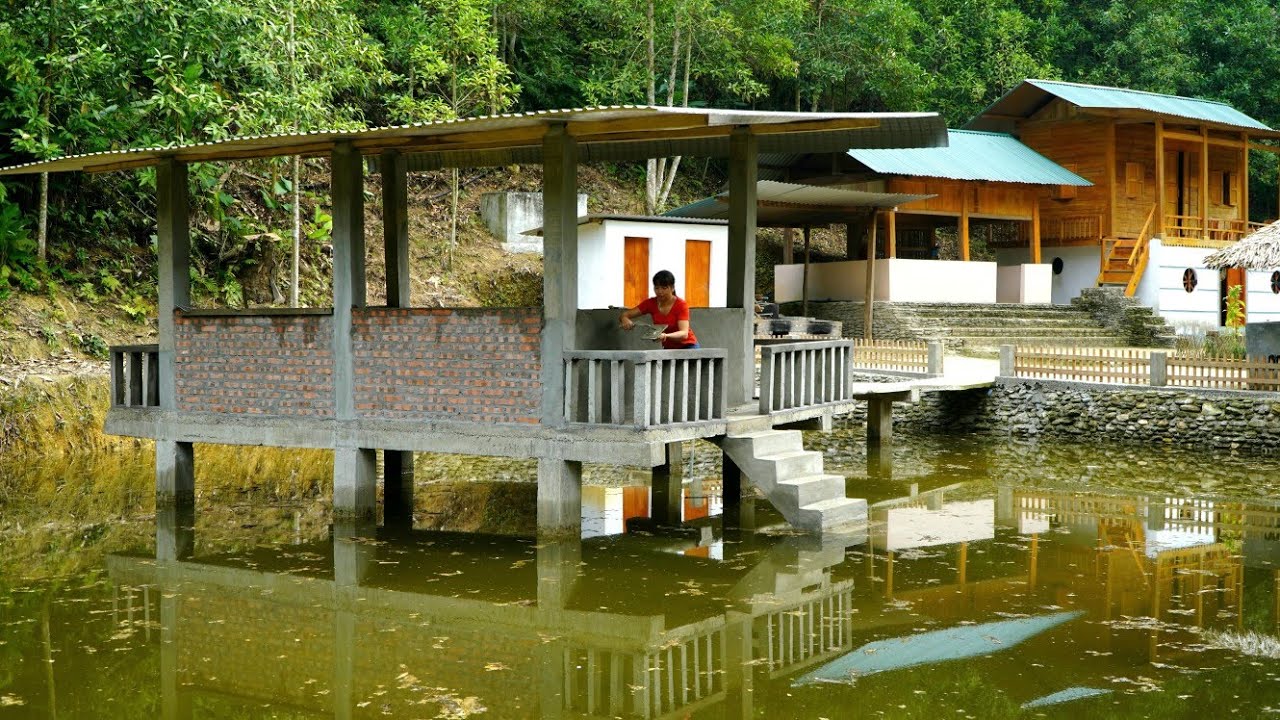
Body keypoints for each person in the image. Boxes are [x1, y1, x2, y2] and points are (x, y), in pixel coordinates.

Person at [618, 269, 700, 349]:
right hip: (669, 348)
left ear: (672, 288)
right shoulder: (650, 303)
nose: (660, 291)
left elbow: (684, 334)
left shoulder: (681, 305)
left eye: (664, 288)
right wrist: (624, 319)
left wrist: (665, 336)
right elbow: (625, 314)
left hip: (689, 346)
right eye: (657, 288)